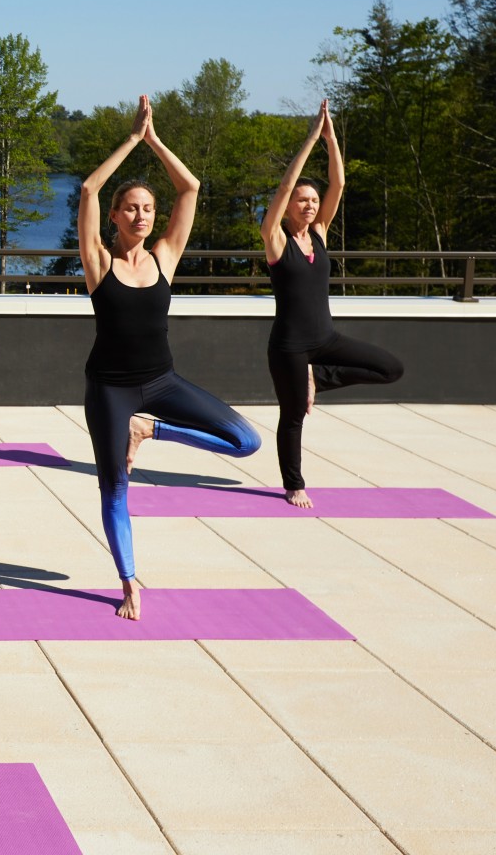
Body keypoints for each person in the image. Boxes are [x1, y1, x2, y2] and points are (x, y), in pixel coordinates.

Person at [77, 96, 260, 620]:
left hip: (161, 384)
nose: (140, 215)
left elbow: (191, 188)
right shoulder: (99, 262)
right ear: (114, 216)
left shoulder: (164, 256)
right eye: (130, 208)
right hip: (110, 390)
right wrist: (132, 140)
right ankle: (130, 581)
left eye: (147, 208)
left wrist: (156, 141)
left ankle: (149, 431)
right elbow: (88, 187)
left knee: (246, 441)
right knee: (115, 488)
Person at [263, 100, 403, 509]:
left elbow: (338, 184)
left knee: (391, 368)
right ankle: (294, 484)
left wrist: (330, 138)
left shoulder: (320, 232)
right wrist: (309, 139)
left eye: (313, 200)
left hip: (325, 340)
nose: (308, 205)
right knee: (293, 417)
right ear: (289, 206)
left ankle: (318, 378)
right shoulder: (275, 239)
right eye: (301, 200)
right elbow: (285, 186)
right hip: (289, 346)